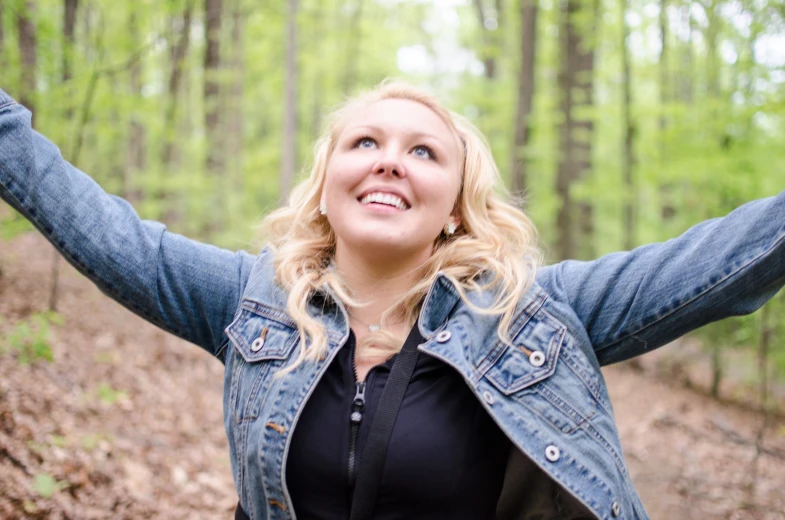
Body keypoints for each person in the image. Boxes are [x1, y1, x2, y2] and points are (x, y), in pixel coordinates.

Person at [0, 82, 783, 520]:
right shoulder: (250, 303)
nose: (390, 163)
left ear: (453, 206)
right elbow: (95, 226)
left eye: (423, 151)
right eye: (364, 142)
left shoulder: (531, 313)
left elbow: (724, 262)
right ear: (328, 184)